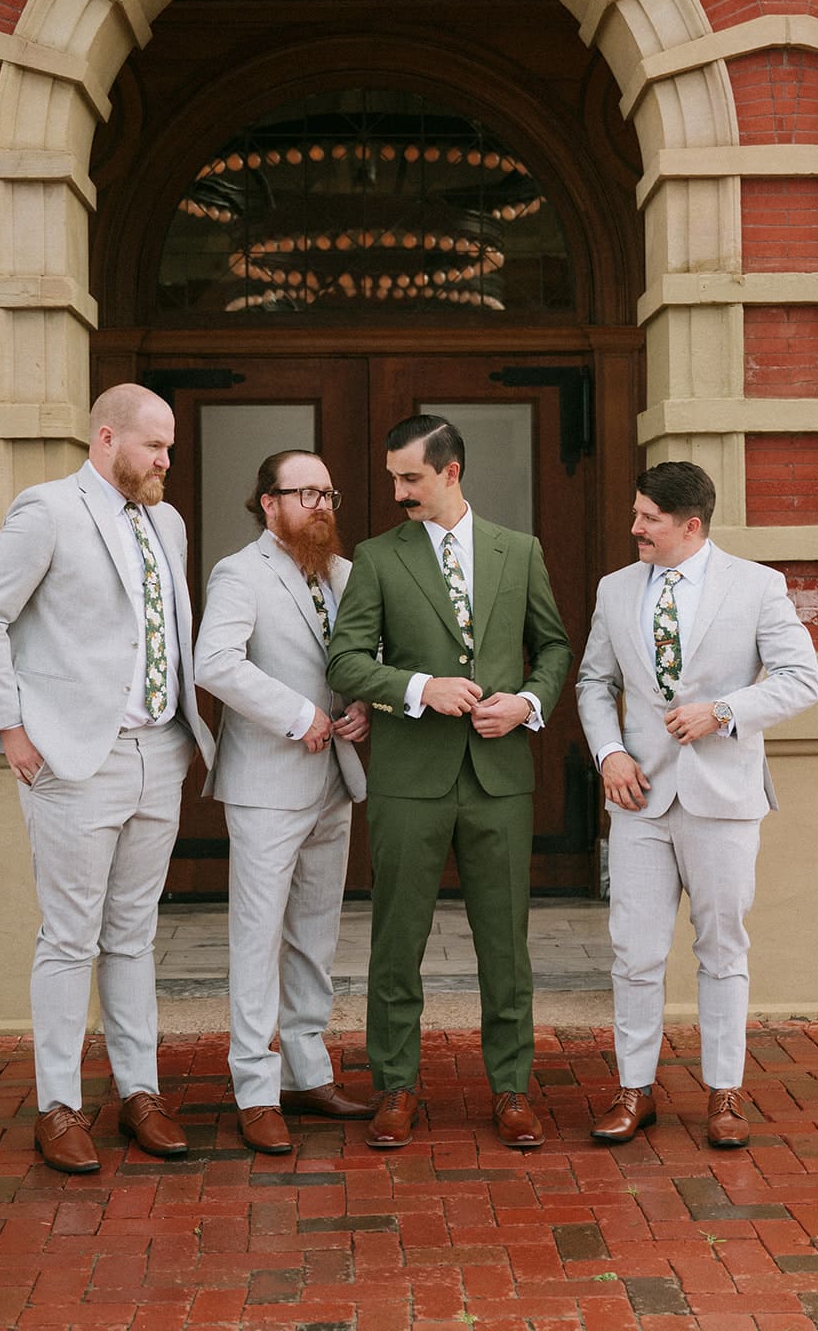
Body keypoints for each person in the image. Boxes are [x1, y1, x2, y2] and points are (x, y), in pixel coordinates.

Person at [0, 383, 215, 1174]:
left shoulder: (164, 520)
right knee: (70, 936)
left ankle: (141, 1093)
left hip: (159, 752)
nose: (167, 460)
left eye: (168, 447)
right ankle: (59, 1107)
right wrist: (10, 728)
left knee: (134, 936)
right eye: (154, 447)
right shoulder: (48, 510)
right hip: (75, 758)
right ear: (107, 438)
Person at [326, 414, 572, 1150]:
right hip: (409, 776)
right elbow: (344, 661)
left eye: (411, 479)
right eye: (394, 478)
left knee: (505, 945)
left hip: (498, 778)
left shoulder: (517, 550)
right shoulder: (376, 556)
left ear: (451, 473)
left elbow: (552, 646)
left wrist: (527, 703)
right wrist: (417, 686)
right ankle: (395, 1088)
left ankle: (511, 1091)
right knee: (395, 941)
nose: (398, 492)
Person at [576, 460, 818, 1148]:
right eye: (634, 514)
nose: (634, 529)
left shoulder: (757, 586)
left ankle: (723, 1095)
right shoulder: (614, 588)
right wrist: (608, 755)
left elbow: (802, 680)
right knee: (633, 950)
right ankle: (633, 1091)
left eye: (647, 518)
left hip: (723, 798)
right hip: (638, 798)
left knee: (720, 948)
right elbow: (594, 683)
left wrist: (724, 711)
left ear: (689, 525)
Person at [194, 451, 373, 1153]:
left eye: (327, 492)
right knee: (258, 935)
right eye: (304, 493)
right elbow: (216, 663)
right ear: (268, 503)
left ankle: (306, 1071)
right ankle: (254, 1087)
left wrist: (361, 706)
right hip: (268, 781)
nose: (320, 505)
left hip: (335, 777)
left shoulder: (344, 574)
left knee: (314, 935)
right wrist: (299, 716)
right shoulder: (241, 572)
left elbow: (356, 660)